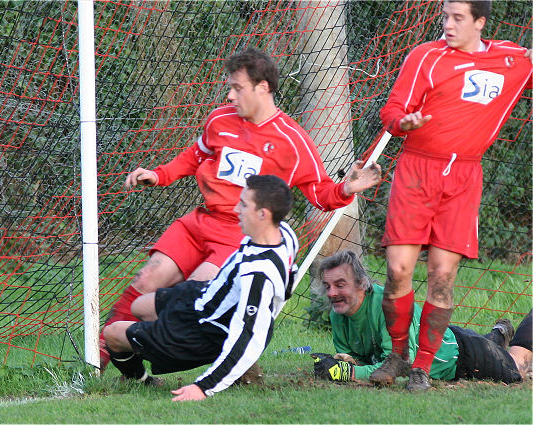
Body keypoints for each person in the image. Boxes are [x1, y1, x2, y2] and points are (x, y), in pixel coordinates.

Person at [100, 47, 382, 369]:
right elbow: (196, 155)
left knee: (195, 298)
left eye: (237, 87)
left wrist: (346, 188)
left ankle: (211, 361)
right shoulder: (220, 120)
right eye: (230, 87)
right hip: (200, 223)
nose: (230, 95)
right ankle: (106, 356)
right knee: (147, 279)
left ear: (263, 87)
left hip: (238, 239)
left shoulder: (292, 140)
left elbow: (320, 194)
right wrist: (160, 174)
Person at [374, 0, 533, 390]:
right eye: (445, 16)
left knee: (442, 276)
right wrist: (402, 121)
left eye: (457, 18)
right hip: (417, 170)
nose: (447, 24)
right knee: (397, 271)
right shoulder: (425, 57)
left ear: (480, 22)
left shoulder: (512, 61)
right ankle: (397, 354)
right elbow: (392, 109)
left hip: (463, 177)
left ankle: (422, 368)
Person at [103, 174, 298, 401]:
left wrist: (203, 387)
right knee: (138, 306)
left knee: (112, 334)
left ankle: (141, 381)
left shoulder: (258, 275)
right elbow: (289, 276)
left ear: (263, 215)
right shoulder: (284, 233)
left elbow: (249, 334)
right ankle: (156, 340)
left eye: (244, 204)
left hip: (201, 332)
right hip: (201, 297)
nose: (236, 209)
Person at [310, 250, 529, 388]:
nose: (331, 293)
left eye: (340, 285)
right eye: (328, 286)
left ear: (361, 283)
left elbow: (400, 366)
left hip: (463, 355)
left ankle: (506, 335)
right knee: (491, 347)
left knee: (516, 370)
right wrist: (345, 363)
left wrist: (347, 372)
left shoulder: (385, 305)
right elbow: (367, 362)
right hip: (442, 338)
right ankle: (497, 335)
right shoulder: (338, 315)